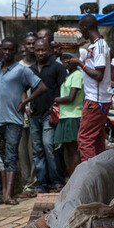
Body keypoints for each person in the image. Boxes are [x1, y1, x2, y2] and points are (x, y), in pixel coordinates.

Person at [0, 40, 48, 205]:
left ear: (15, 51)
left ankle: (8, 195)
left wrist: (25, 102)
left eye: (10, 49)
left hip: (14, 120)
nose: (7, 52)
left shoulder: (22, 70)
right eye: (4, 49)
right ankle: (6, 193)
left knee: (11, 156)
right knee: (2, 157)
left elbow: (41, 87)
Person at [68, 14, 112, 162]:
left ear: (86, 28)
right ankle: (99, 174)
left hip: (96, 101)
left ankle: (89, 176)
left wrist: (80, 64)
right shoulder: (93, 46)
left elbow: (98, 75)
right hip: (97, 99)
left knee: (84, 139)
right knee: (97, 142)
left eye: (81, 29)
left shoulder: (99, 46)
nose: (81, 33)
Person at [29, 38, 67, 192]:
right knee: (37, 151)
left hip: (49, 116)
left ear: (49, 50)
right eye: (37, 50)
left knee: (49, 146)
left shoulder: (57, 68)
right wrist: (25, 106)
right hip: (34, 115)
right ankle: (42, 184)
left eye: (43, 50)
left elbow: (63, 89)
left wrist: (56, 109)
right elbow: (22, 89)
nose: (40, 53)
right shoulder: (30, 69)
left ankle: (57, 181)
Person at [53, 51, 85, 176]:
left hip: (73, 115)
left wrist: (57, 100)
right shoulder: (69, 75)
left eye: (69, 58)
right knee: (68, 150)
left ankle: (74, 179)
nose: (66, 62)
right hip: (66, 115)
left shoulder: (77, 75)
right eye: (63, 59)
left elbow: (71, 98)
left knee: (74, 151)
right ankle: (72, 178)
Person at [16, 32, 38, 198]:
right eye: (28, 44)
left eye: (33, 44)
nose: (31, 47)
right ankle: (28, 186)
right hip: (21, 114)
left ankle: (38, 183)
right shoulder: (18, 67)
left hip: (39, 114)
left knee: (36, 151)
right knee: (23, 152)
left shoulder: (41, 64)